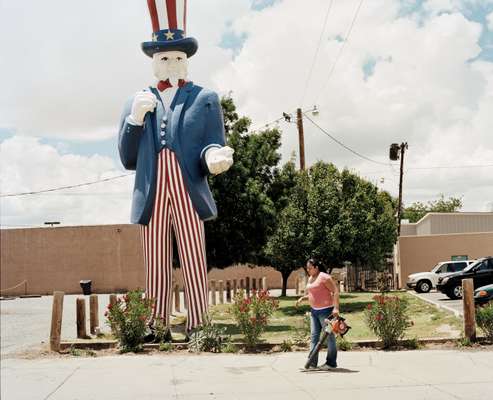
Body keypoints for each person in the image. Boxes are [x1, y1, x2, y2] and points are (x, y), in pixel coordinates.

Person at [118, 0, 234, 333]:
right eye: (164, 57)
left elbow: (213, 140)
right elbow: (127, 157)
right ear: (154, 62)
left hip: (187, 185)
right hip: (151, 187)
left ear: (187, 61)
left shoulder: (205, 97)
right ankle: (156, 325)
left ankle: (199, 323)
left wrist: (213, 158)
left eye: (178, 57)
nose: (172, 63)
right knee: (154, 260)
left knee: (194, 257)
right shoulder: (136, 100)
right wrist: (134, 120)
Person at [296, 258, 340, 370]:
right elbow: (315, 293)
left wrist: (336, 308)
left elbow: (335, 291)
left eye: (310, 268)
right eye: (307, 268)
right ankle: (312, 363)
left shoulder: (324, 277)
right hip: (314, 311)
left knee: (329, 337)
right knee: (314, 337)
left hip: (326, 311)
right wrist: (303, 298)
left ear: (316, 267)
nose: (308, 270)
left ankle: (331, 363)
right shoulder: (311, 278)